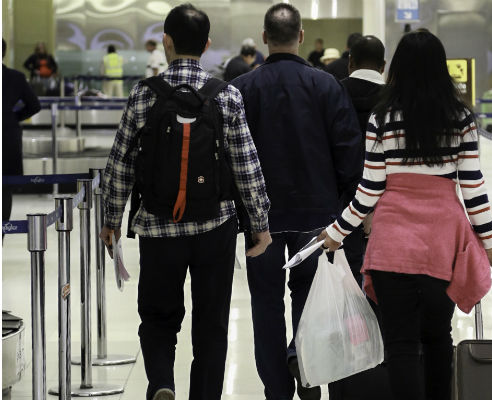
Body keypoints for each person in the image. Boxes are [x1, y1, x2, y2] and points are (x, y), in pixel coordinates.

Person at [318, 29, 492, 400]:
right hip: (442, 246)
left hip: (392, 244)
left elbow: (369, 189)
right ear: (441, 68)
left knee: (401, 345)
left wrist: (338, 232)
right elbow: (472, 186)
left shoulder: (383, 118)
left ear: (397, 68)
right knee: (439, 338)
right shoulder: (460, 118)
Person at [99, 4, 272, 400]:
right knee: (211, 323)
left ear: (167, 42)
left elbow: (120, 162)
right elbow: (246, 164)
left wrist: (111, 217)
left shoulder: (144, 94)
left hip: (158, 226)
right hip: (216, 225)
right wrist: (260, 223)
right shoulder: (226, 95)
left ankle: (161, 382)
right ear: (207, 45)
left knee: (158, 317)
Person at [231, 4, 363, 400]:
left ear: (265, 38)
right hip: (317, 216)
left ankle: (277, 388)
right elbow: (349, 153)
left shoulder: (242, 89)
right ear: (302, 37)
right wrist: (343, 211)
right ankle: (304, 367)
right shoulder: (326, 86)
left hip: (261, 222)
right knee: (311, 299)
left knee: (266, 305)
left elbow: (232, 158)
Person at [338, 34, 386, 284]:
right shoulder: (395, 100)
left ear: (350, 62)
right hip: (387, 203)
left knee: (347, 278)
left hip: (339, 201)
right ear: (383, 65)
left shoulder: (334, 92)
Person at [3, 38, 41, 224]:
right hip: (7, 135)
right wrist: (13, 117)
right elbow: (34, 105)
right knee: (4, 188)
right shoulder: (16, 77)